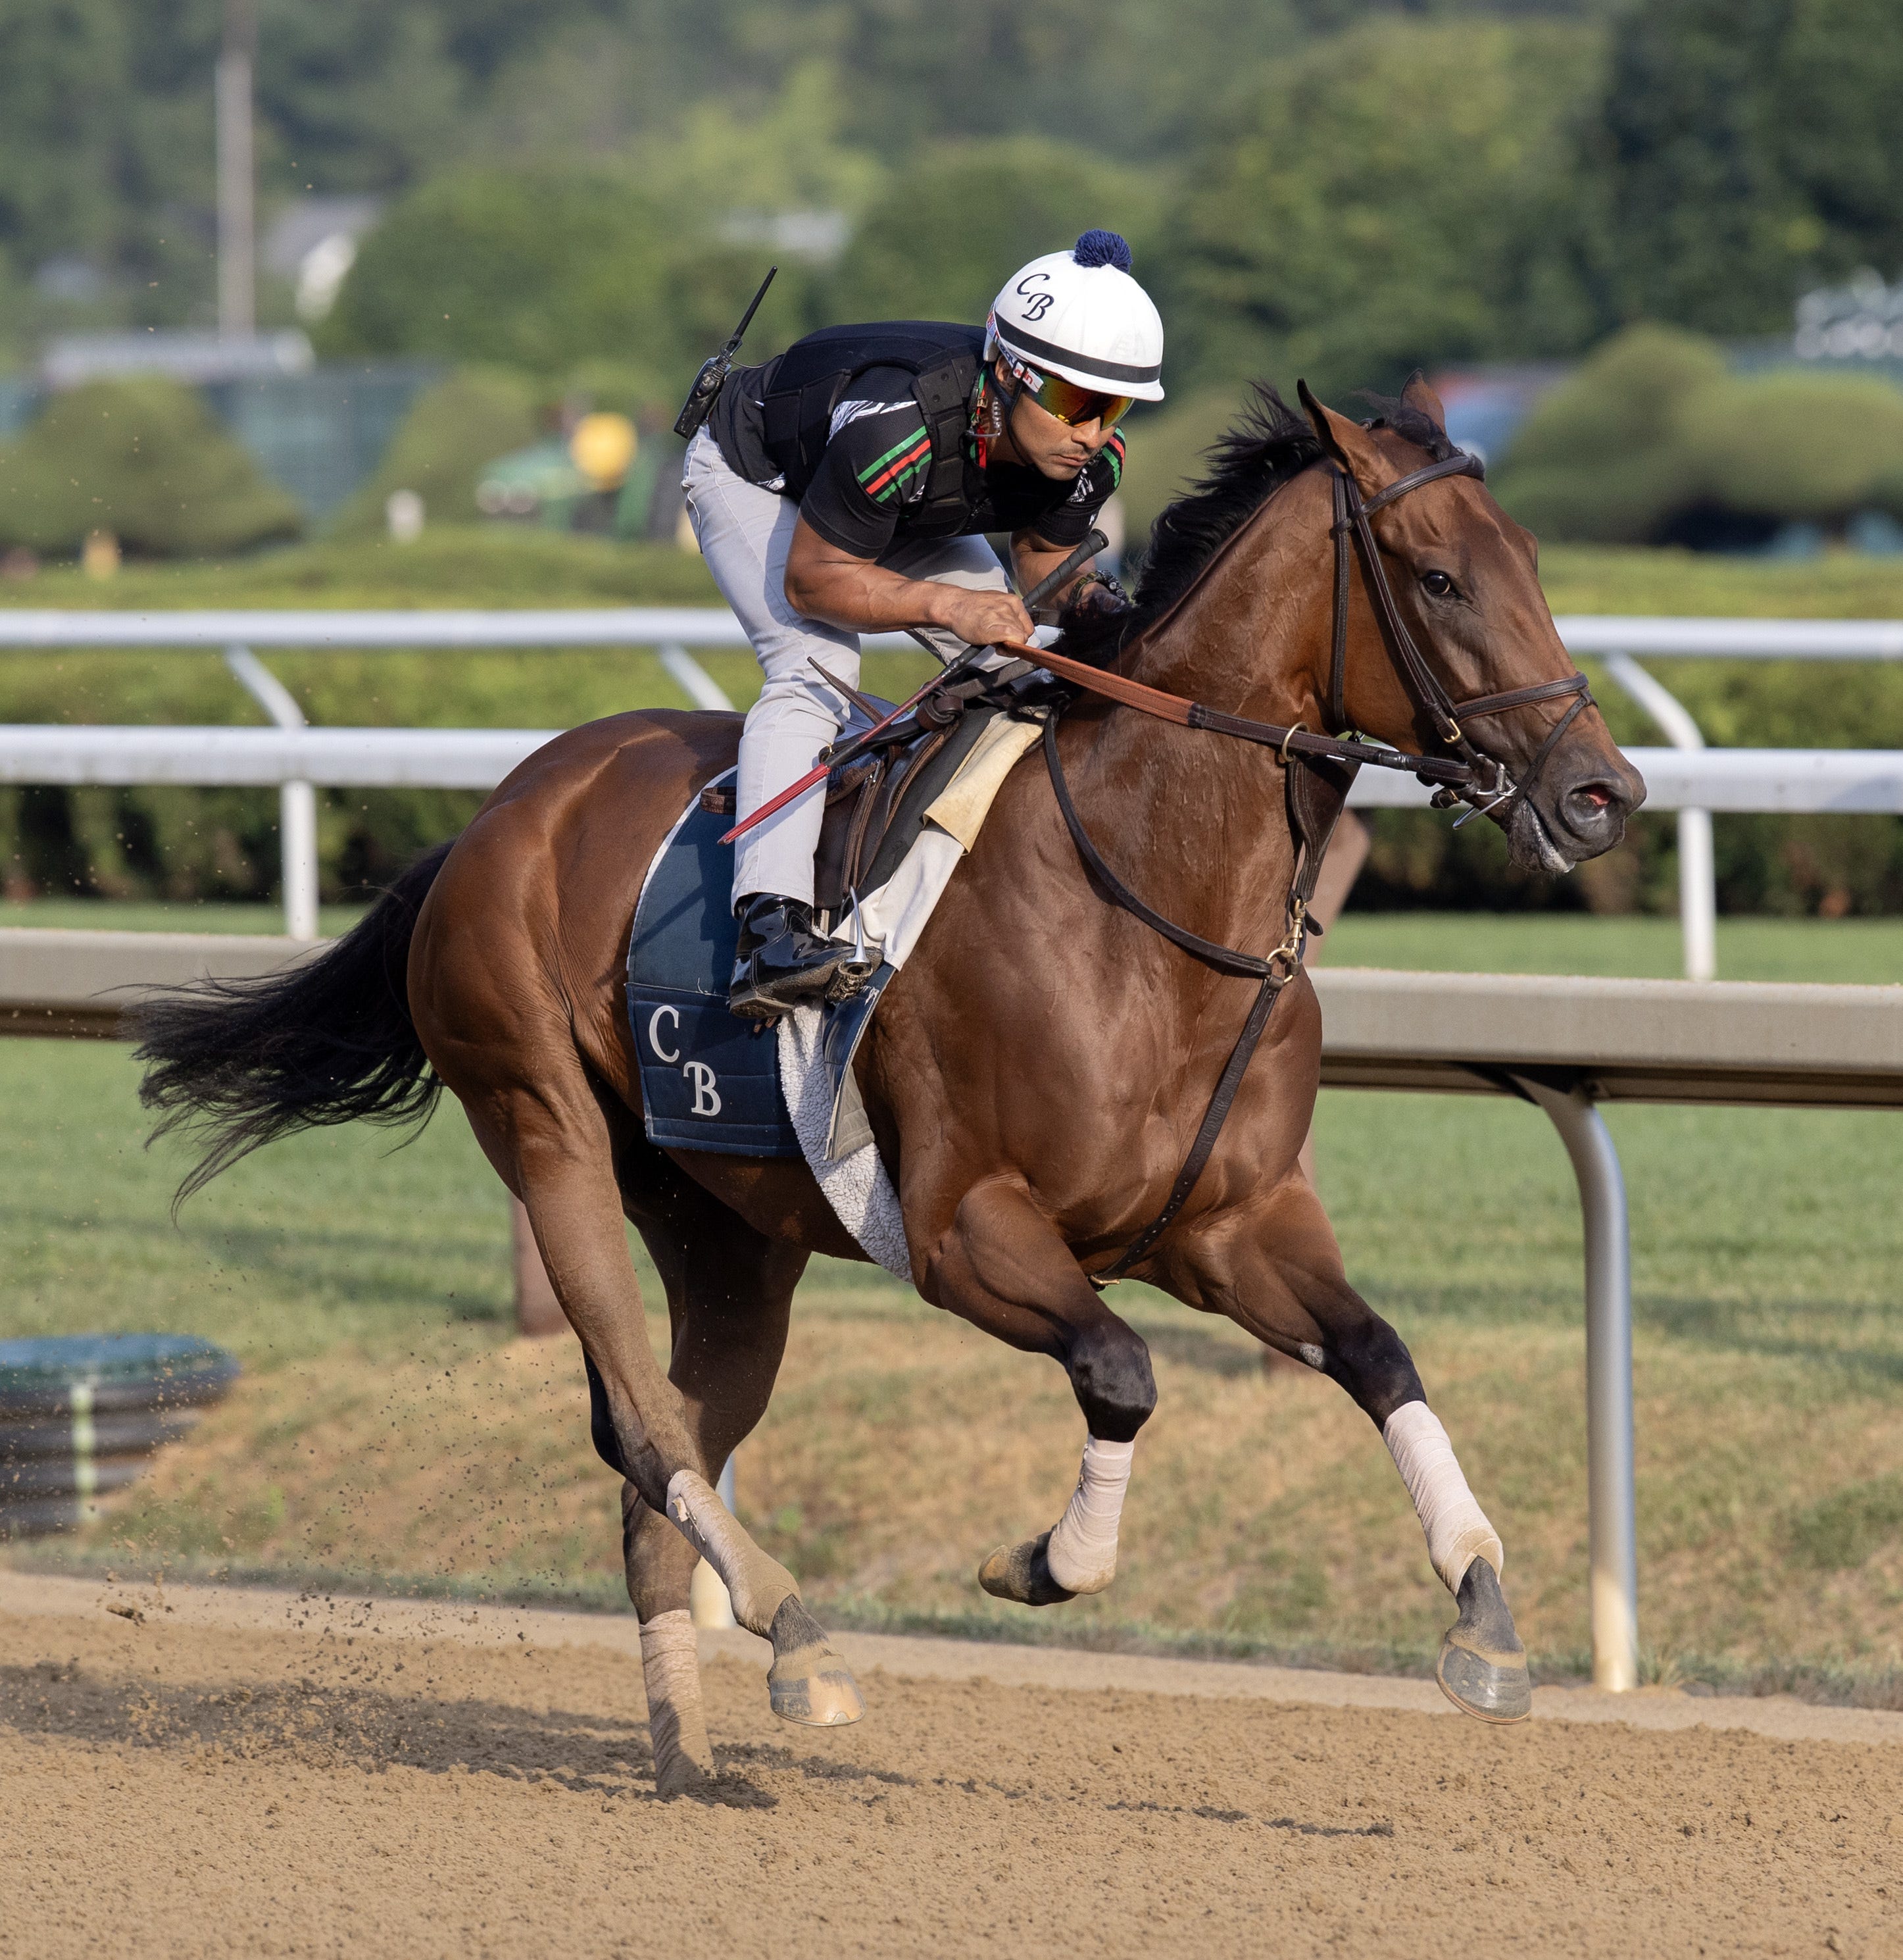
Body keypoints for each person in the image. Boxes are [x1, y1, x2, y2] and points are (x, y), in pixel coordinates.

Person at [683, 229, 1165, 1019]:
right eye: (1079, 404)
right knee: (817, 669)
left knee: (1023, 671)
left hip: (899, 503)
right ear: (1012, 373)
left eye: (1114, 410)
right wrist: (948, 604)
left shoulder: (1090, 459)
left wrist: (1115, 622)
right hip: (760, 478)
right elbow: (813, 581)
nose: (1093, 434)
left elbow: (1046, 564)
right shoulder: (896, 428)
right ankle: (771, 930)